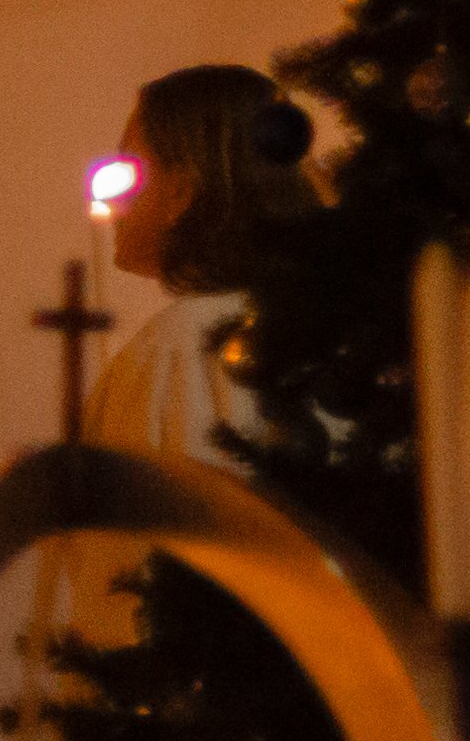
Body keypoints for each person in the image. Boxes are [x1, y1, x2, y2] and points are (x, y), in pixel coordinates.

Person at [93, 62, 322, 468]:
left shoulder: (183, 347)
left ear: (182, 191)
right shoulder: (330, 327)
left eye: (129, 168)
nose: (117, 201)